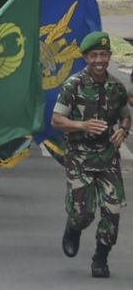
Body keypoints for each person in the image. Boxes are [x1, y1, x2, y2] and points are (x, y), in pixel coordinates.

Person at [52, 31, 130, 278]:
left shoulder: (116, 87)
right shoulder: (73, 85)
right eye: (94, 55)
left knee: (113, 209)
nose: (99, 60)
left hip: (107, 157)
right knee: (83, 213)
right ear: (86, 57)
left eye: (104, 54)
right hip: (79, 157)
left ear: (109, 56)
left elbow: (125, 115)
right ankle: (73, 228)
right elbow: (57, 119)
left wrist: (123, 131)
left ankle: (100, 258)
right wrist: (82, 125)